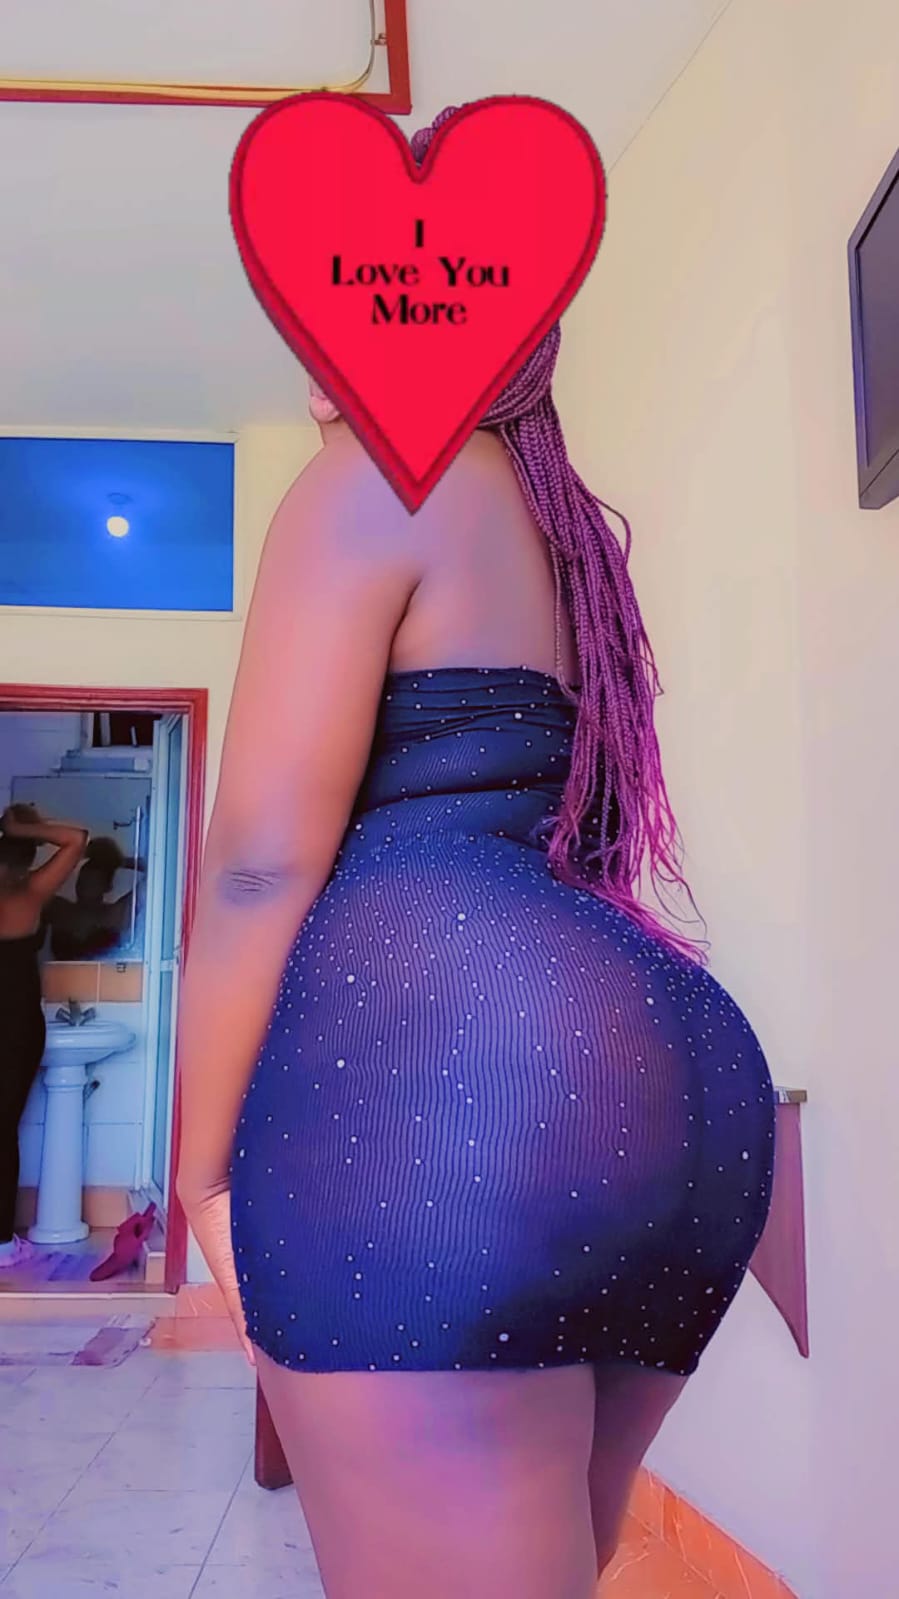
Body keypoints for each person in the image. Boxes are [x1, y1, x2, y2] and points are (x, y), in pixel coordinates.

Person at [175, 106, 776, 1599]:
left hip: (448, 1097)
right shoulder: (563, 537)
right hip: (673, 1097)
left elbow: (255, 863)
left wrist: (195, 1169)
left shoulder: (371, 484)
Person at [0, 803, 89, 1268]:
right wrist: (23, 826)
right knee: (3, 1129)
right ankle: (0, 1243)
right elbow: (77, 839)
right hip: (15, 1024)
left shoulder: (26, 892)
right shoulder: (28, 894)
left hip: (16, 1024)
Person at [43, 835, 146, 961]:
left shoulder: (116, 914)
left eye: (93, 882)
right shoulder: (59, 909)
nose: (85, 886)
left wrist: (118, 861)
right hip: (60, 973)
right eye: (82, 880)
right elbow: (28, 886)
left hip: (105, 973)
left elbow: (155, 871)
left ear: (107, 887)